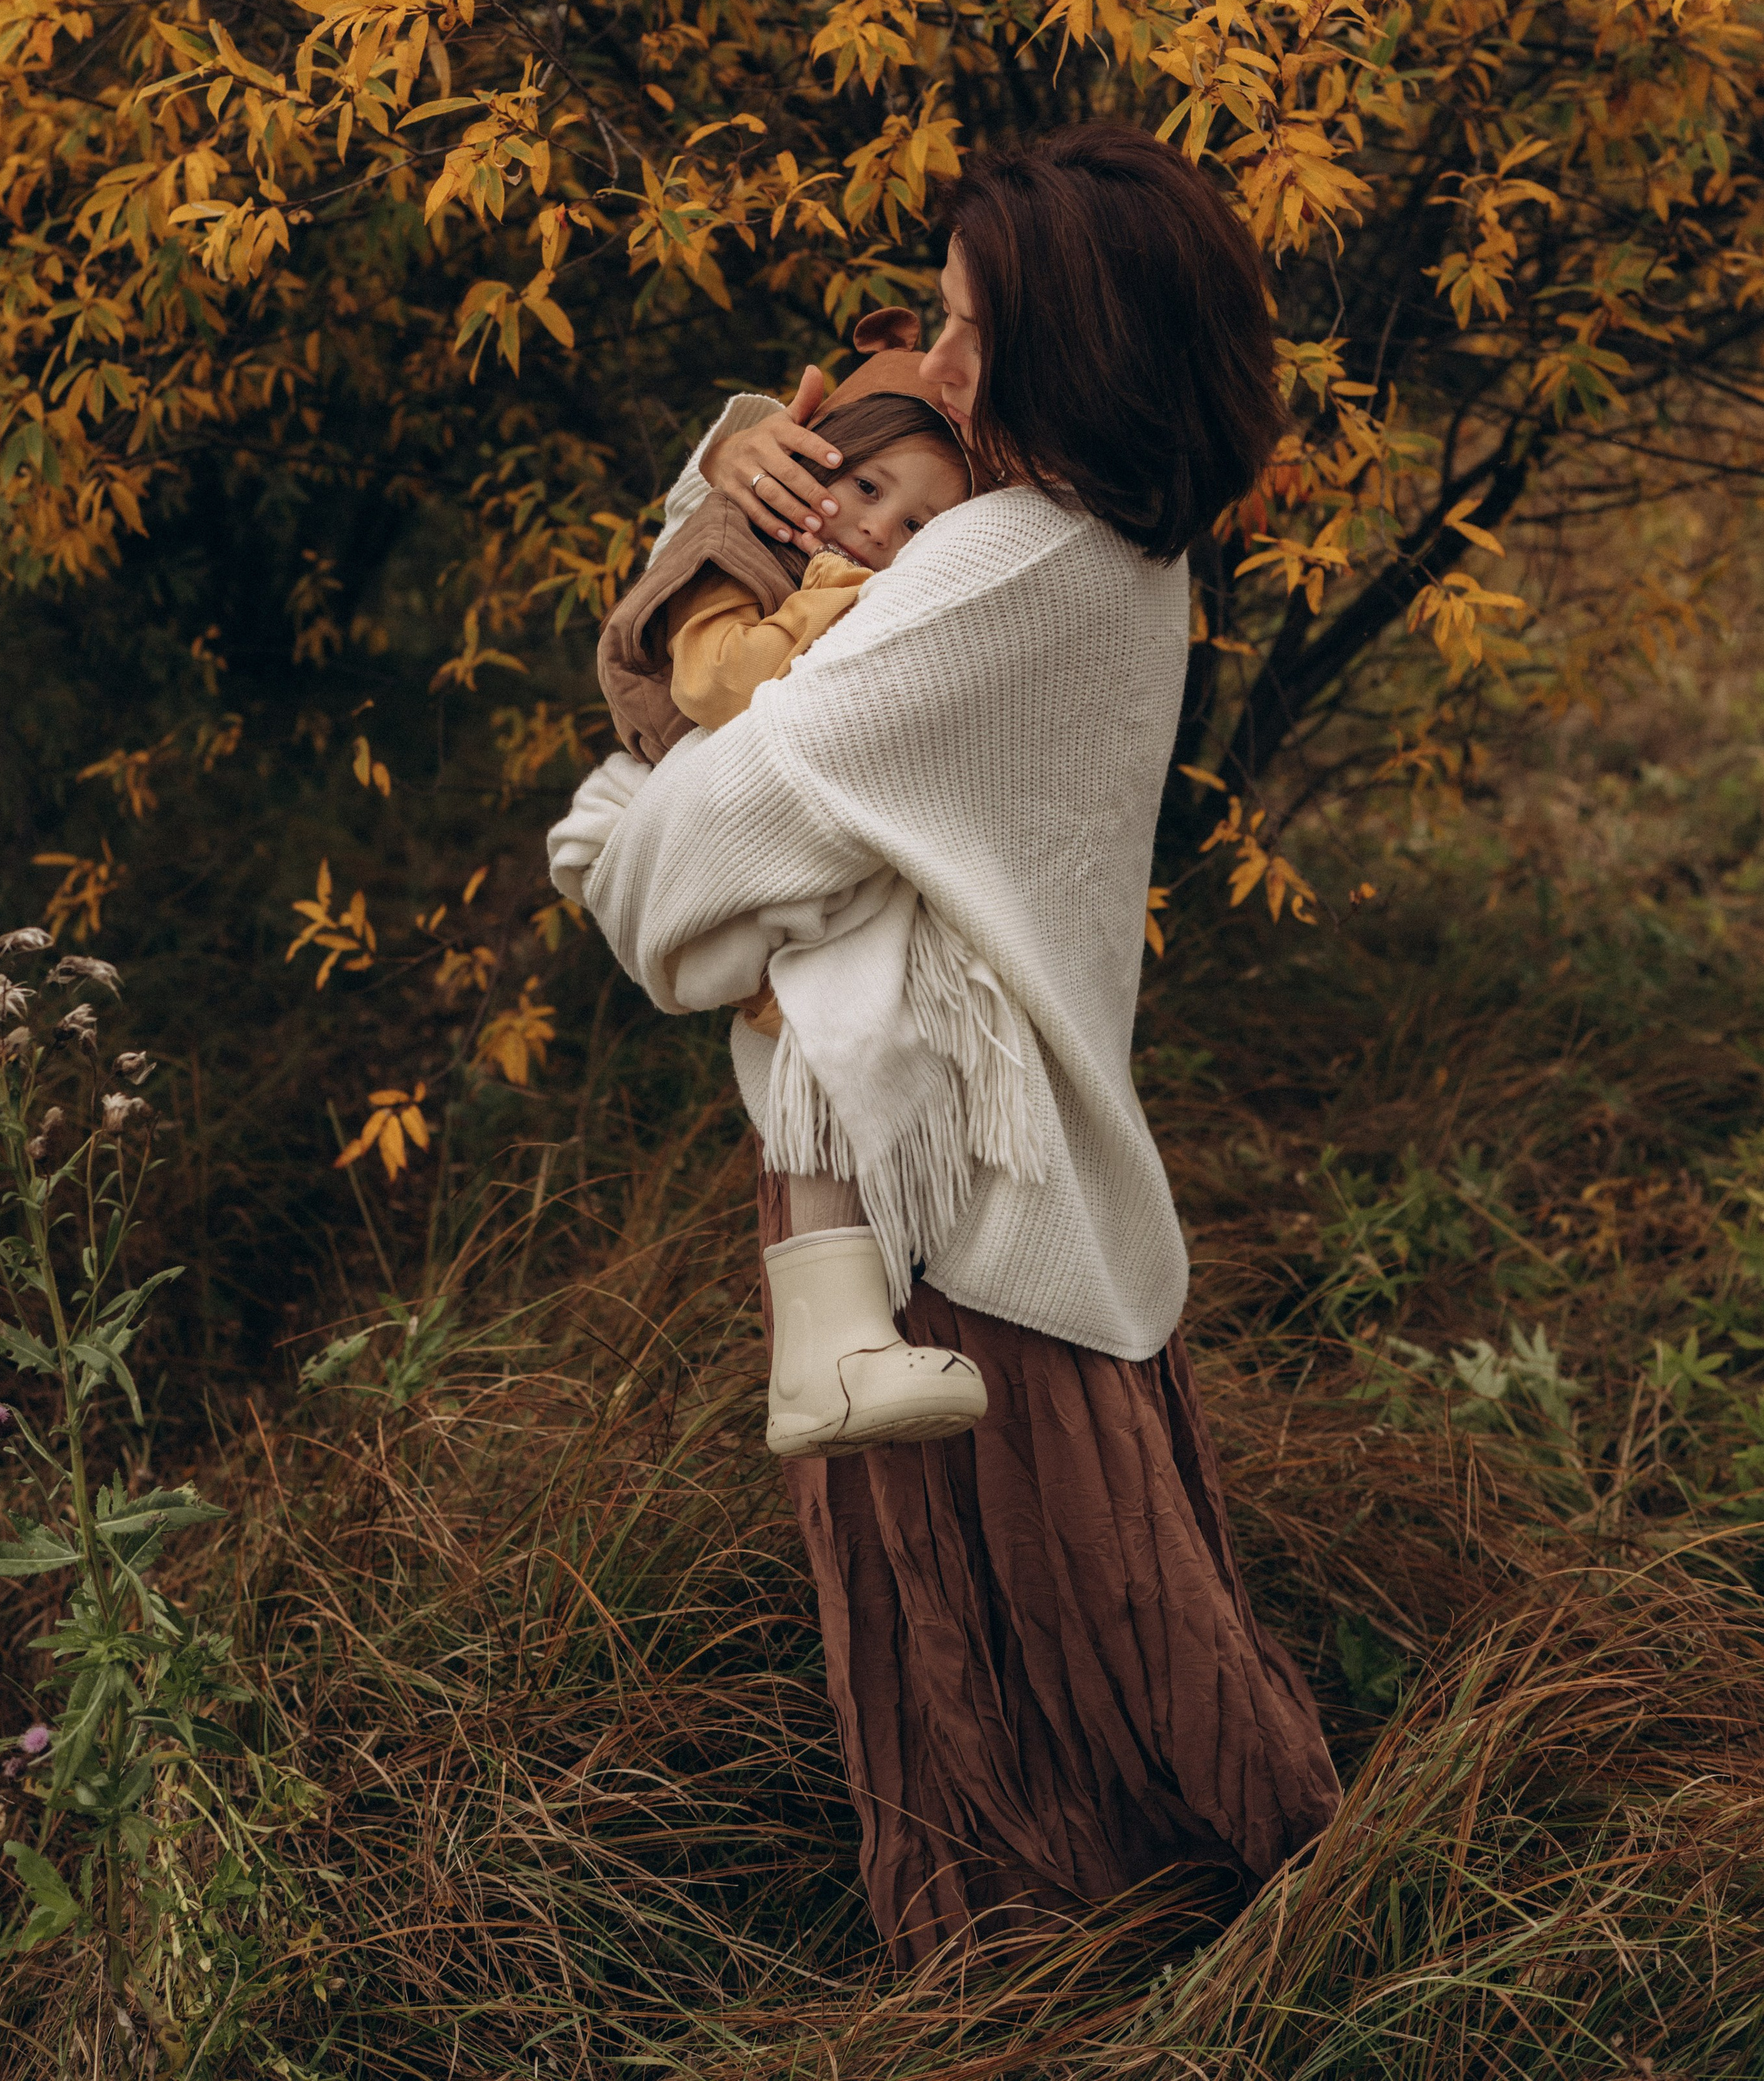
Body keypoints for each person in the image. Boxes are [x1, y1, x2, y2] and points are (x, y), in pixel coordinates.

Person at [564, 121, 1341, 1963]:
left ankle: (1075, 1967)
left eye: (980, 330)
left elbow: (677, 872)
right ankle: (1170, 1946)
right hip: (976, 1155)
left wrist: (645, 810)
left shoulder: (1006, 563)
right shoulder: (1104, 551)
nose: (939, 364)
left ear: (1091, 348)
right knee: (1055, 1590)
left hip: (942, 1189)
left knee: (1023, 1613)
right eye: (939, 315)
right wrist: (738, 460)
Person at [581, 338, 991, 1458]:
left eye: (915, 529)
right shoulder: (741, 545)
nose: (876, 531)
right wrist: (830, 610)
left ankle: (840, 1346)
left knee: (845, 1012)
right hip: (685, 791)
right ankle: (832, 1354)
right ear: (818, 465)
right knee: (830, 1013)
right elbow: (717, 683)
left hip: (756, 807)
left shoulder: (826, 567)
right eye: (865, 490)